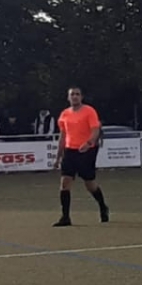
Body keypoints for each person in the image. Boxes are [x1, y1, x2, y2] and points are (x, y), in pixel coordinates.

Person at [53, 87, 108, 226]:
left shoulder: (89, 111)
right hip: (70, 151)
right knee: (65, 183)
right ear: (68, 97)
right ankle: (65, 217)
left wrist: (89, 143)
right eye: (72, 94)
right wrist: (58, 157)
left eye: (77, 94)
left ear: (81, 97)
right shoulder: (64, 114)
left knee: (90, 184)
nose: (75, 97)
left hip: (86, 151)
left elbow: (95, 130)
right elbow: (63, 136)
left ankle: (102, 206)